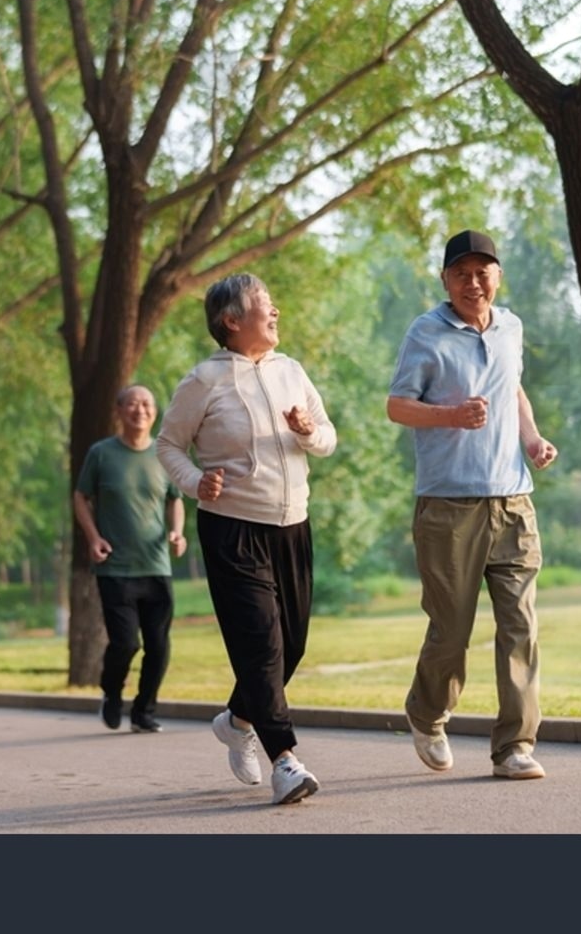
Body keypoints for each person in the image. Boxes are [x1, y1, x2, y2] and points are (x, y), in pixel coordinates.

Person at [157, 274, 336, 805]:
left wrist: (306, 430)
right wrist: (194, 482)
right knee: (261, 643)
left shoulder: (291, 371)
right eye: (265, 306)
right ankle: (285, 759)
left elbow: (326, 439)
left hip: (292, 523)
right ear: (231, 320)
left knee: (292, 646)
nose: (276, 312)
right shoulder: (202, 380)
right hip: (232, 525)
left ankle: (237, 721)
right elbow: (169, 445)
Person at [386, 228, 558, 780]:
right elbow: (397, 406)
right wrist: (450, 416)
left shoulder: (511, 327)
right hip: (448, 507)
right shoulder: (426, 332)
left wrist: (530, 440)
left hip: (513, 500)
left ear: (498, 276)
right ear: (445, 280)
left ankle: (514, 746)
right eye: (461, 273)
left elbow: (514, 391)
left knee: (520, 627)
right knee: (451, 630)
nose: (473, 282)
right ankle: (428, 712)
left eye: (483, 271)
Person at [73, 384, 188, 734]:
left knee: (158, 645)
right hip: (116, 568)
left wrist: (177, 532)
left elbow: (175, 498)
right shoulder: (102, 453)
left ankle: (143, 712)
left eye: (147, 404)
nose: (140, 410)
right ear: (120, 411)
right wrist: (93, 538)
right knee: (126, 642)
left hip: (156, 566)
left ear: (155, 412)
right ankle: (111, 692)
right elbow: (80, 497)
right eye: (133, 404)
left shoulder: (165, 454)